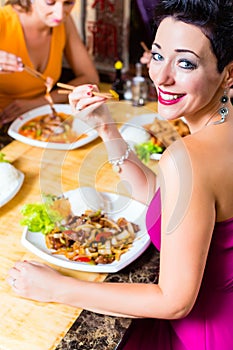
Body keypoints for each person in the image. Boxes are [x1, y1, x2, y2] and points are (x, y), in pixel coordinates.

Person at [7, 0, 233, 348]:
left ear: (228, 73)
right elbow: (176, 203)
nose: (161, 76)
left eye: (185, 63)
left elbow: (175, 300)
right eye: (157, 56)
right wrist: (107, 129)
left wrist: (55, 288)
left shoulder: (187, 157)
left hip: (204, 335)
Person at [0, 0, 99, 147]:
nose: (59, 14)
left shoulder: (63, 23)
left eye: (68, 2)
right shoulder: (3, 21)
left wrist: (39, 103)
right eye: (50, 2)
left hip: (40, 123)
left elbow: (90, 78)